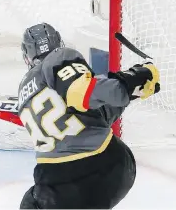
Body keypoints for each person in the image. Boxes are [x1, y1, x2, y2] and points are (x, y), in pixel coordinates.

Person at [17, 23, 160, 209]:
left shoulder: (24, 89)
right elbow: (89, 101)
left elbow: (84, 98)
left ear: (27, 55)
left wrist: (125, 87)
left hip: (87, 170)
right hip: (99, 168)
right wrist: (133, 79)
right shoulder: (59, 57)